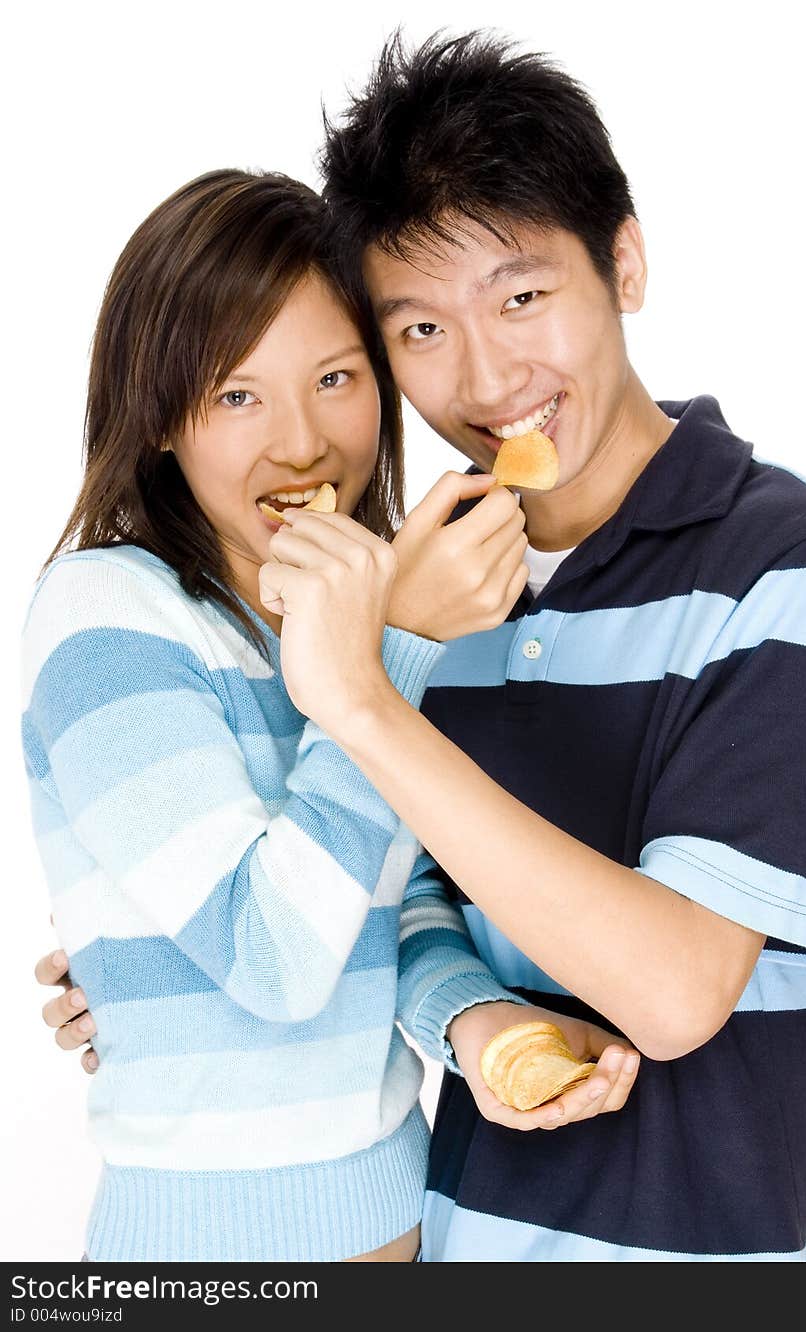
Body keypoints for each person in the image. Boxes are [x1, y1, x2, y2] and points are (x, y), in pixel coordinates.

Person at [253, 31, 806, 1261]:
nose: (486, 379)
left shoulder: (795, 565)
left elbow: (676, 990)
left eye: (522, 297)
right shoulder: (436, 585)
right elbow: (410, 896)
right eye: (420, 331)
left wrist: (367, 701)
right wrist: (471, 1020)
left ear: (626, 263)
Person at [22, 166, 640, 1263]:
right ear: (160, 414)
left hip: (411, 1227)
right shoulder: (107, 611)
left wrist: (468, 1022)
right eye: (235, 395)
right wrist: (388, 650)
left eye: (337, 377)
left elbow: (384, 915)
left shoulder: (352, 616)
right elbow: (273, 962)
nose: (302, 443)